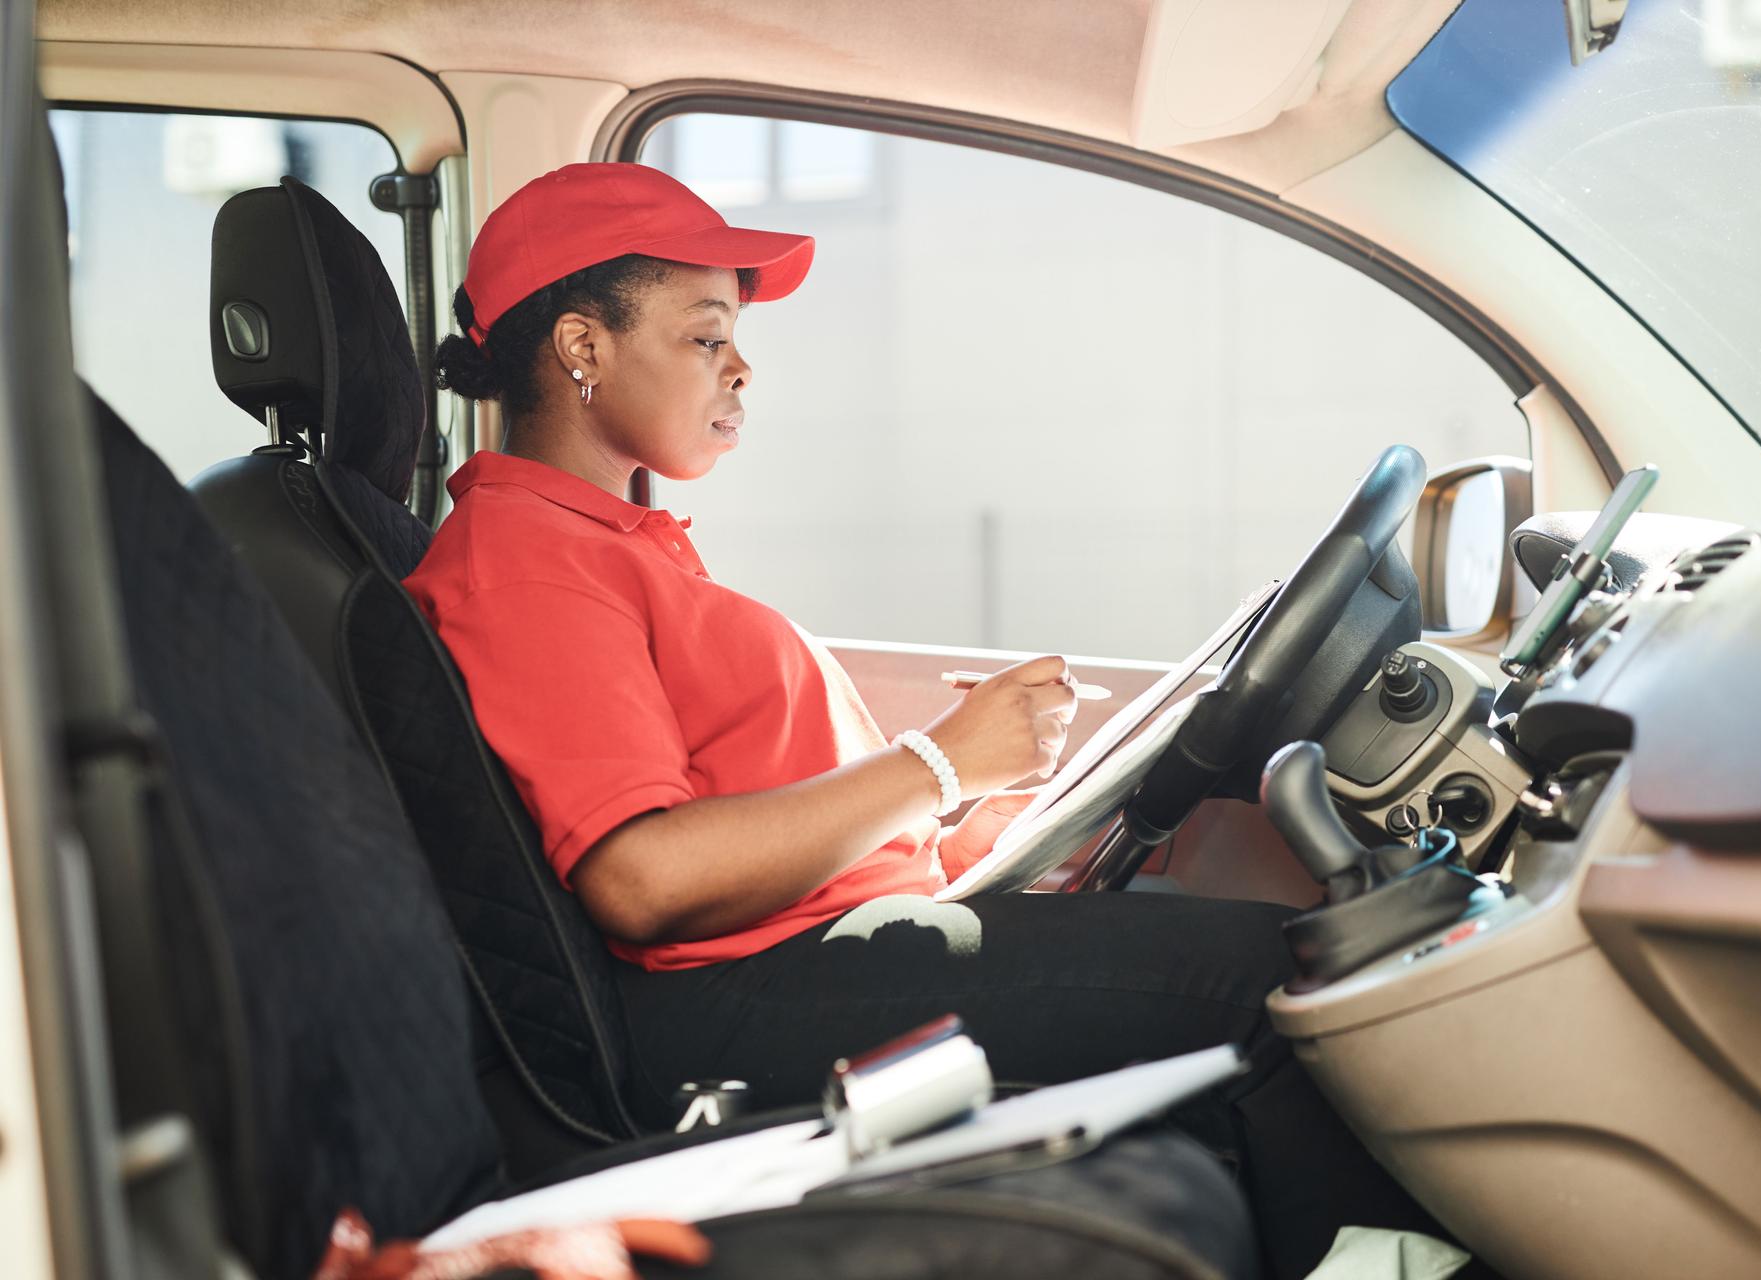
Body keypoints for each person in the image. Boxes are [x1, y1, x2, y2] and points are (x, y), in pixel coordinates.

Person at [408, 162, 1443, 1277]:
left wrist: (987, 819)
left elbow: (753, 797)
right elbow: (641, 878)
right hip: (736, 993)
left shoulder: (613, 540)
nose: (743, 363)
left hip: (816, 940)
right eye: (708, 335)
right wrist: (939, 764)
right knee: (1270, 976)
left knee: (1227, 957)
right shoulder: (523, 561)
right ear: (582, 348)